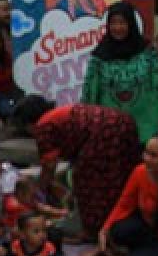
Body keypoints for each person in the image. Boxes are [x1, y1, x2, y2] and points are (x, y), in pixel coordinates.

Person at [12, 96, 139, 242]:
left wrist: (40, 190)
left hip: (105, 134)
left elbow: (49, 166)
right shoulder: (60, 114)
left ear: (28, 122)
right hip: (125, 123)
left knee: (88, 181)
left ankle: (93, 231)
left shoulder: (44, 124)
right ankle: (113, 226)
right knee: (118, 179)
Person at [80, 1, 158, 144]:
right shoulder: (99, 57)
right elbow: (90, 94)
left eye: (122, 22)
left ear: (131, 24)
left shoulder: (148, 53)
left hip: (145, 129)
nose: (117, 27)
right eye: (113, 23)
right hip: (110, 130)